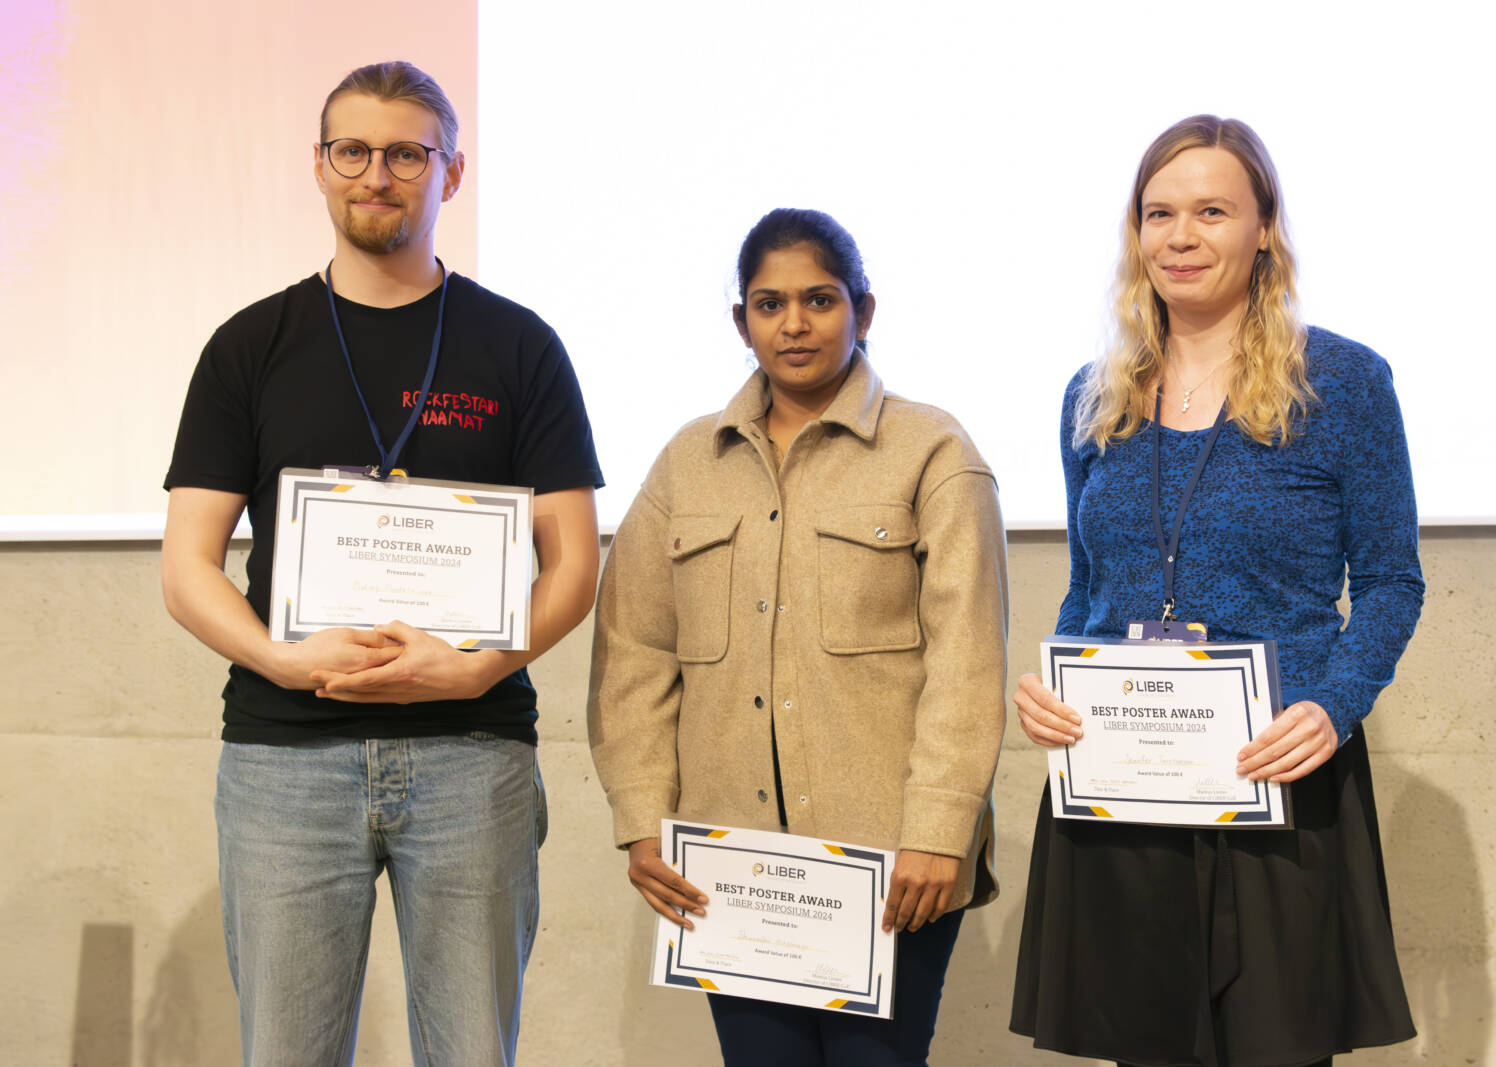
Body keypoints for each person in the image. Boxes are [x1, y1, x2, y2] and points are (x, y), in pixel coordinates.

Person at [161, 61, 603, 1065]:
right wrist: (282, 657)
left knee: (471, 1052)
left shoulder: (520, 346)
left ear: (450, 174)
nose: (378, 174)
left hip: (472, 749)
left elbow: (572, 564)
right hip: (285, 756)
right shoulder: (250, 345)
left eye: (408, 151)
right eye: (353, 150)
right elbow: (188, 567)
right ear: (319, 167)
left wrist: (480, 662)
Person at [1009, 115, 1423, 1067]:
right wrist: (1056, 684)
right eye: (1160, 213)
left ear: (1265, 228)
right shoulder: (1093, 394)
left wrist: (1335, 703)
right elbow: (1090, 587)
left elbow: (1394, 581)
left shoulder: (1344, 383)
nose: (1181, 236)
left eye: (1211, 211)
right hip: (1126, 794)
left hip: (1276, 787)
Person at [586, 208, 1007, 1065]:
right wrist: (641, 819)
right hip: (729, 867)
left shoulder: (932, 450)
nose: (795, 324)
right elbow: (633, 652)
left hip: (889, 864)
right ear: (740, 320)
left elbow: (968, 660)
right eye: (769, 304)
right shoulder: (684, 464)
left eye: (819, 299)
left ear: (864, 309)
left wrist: (938, 828)